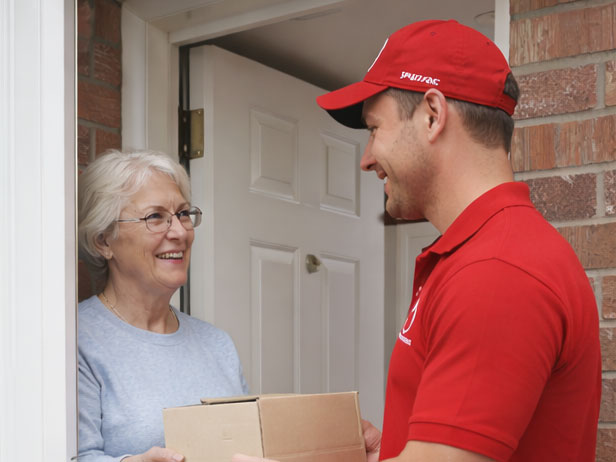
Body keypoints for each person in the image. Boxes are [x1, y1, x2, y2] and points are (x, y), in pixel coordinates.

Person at [233, 18, 601, 462]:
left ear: (432, 115)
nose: (366, 160)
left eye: (373, 128)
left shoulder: (496, 272)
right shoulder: (482, 254)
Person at [78, 150, 249, 462]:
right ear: (103, 241)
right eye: (155, 217)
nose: (180, 232)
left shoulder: (217, 343)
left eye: (183, 214)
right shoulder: (77, 340)